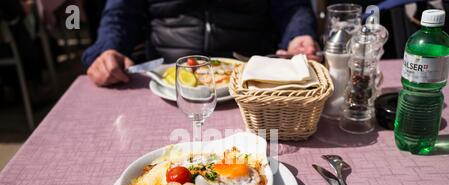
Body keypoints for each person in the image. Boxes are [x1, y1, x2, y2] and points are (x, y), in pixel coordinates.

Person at [82, 0, 320, 87]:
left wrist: (298, 37)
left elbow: (292, 8)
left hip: (253, 80)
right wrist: (108, 50)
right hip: (165, 79)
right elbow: (120, 14)